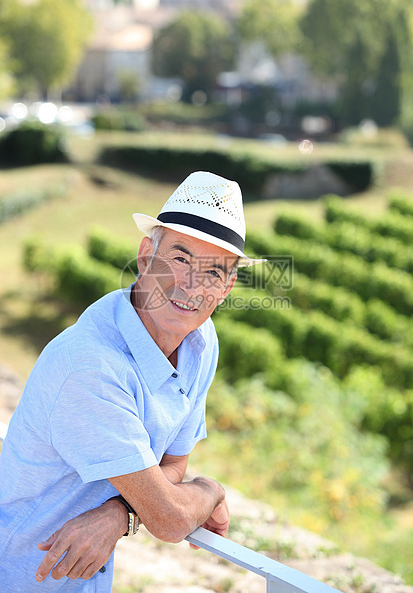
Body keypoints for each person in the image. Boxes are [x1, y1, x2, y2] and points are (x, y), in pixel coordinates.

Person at [0, 171, 264, 591]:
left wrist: (118, 513)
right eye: (180, 259)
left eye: (214, 272)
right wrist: (210, 490)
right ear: (146, 257)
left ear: (228, 287)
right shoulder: (90, 366)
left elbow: (173, 463)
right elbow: (170, 519)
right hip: (21, 576)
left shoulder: (200, 341)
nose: (192, 286)